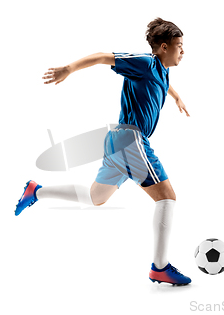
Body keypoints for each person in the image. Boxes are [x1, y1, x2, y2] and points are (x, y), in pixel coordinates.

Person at [16, 18, 191, 286]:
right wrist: (69, 69)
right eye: (179, 47)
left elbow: (163, 84)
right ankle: (160, 267)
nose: (183, 51)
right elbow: (102, 57)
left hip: (118, 141)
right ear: (164, 47)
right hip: (131, 139)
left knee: (94, 197)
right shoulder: (144, 62)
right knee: (167, 199)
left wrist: (176, 96)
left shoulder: (162, 71)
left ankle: (35, 191)